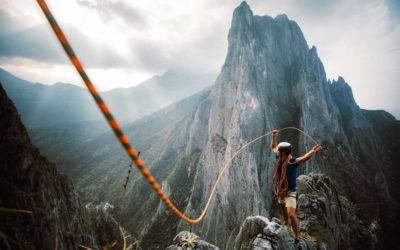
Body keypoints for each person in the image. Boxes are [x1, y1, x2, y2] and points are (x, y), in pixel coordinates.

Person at [271, 129, 322, 243]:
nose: (277, 152)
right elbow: (273, 147)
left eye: (279, 151)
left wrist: (313, 151)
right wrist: (274, 137)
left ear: (283, 153)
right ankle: (286, 225)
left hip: (290, 192)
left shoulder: (292, 161)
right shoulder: (281, 158)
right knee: (284, 212)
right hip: (281, 191)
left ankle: (297, 236)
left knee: (291, 214)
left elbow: (304, 158)